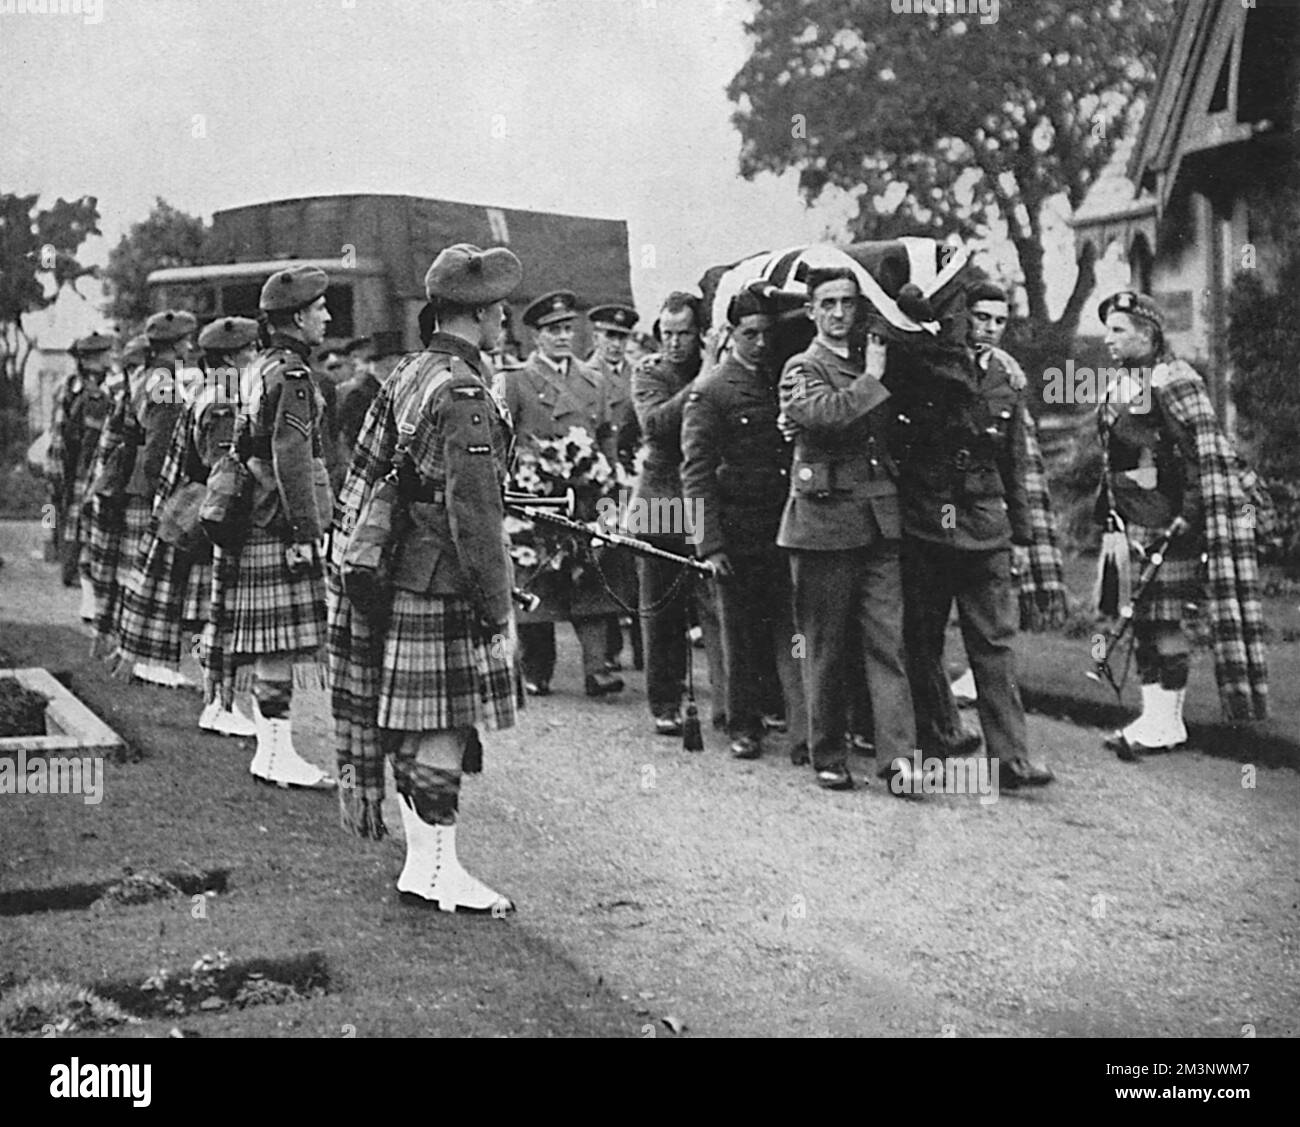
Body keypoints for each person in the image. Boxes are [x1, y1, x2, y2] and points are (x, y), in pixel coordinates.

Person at [330, 243, 523, 913]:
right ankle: (443, 874)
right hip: (443, 578)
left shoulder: (412, 370)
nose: (504, 319)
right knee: (444, 728)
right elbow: (472, 516)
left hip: (401, 570)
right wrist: (496, 611)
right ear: (482, 313)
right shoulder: (464, 389)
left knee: (414, 730)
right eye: (500, 309)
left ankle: (422, 867)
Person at [887, 280, 1054, 789]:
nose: (988, 329)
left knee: (995, 644)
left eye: (999, 321)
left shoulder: (1007, 377)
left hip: (985, 525)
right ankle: (936, 735)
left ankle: (1010, 758)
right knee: (923, 639)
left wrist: (1020, 536)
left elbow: (1014, 459)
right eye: (980, 318)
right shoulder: (925, 366)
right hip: (930, 523)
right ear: (963, 318)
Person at [1095, 290, 1268, 756]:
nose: (1108, 339)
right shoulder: (1125, 383)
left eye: (1118, 330)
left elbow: (1203, 454)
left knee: (1165, 621)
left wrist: (1188, 515)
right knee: (1146, 622)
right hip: (1135, 521)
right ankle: (1155, 719)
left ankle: (1169, 723)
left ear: (1147, 333)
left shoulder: (1177, 380)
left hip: (1172, 522)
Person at [776, 268, 917, 792]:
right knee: (827, 646)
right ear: (811, 311)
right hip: (824, 523)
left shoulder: (869, 362)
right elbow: (823, 416)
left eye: (849, 304)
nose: (839, 313)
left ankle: (898, 759)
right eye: (828, 303)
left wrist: (876, 371)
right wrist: (872, 379)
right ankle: (828, 752)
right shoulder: (801, 367)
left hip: (879, 520)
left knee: (888, 643)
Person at [115, 317, 262, 732]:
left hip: (198, 510)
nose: (255, 357)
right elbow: (223, 469)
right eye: (250, 351)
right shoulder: (221, 402)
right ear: (233, 357)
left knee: (206, 614)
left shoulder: (203, 391)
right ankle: (220, 704)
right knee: (217, 613)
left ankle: (218, 701)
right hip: (214, 515)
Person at [681, 281, 806, 761]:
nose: (759, 342)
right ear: (731, 333)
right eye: (749, 332)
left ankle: (802, 731)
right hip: (735, 531)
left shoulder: (782, 377)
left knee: (792, 632)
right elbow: (695, 472)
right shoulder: (712, 391)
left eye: (765, 333)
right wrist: (707, 544)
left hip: (784, 525)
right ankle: (743, 724)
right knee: (741, 634)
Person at [227, 265, 337, 789]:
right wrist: (303, 533)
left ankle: (272, 750)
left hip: (258, 514)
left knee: (273, 642)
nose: (328, 317)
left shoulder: (261, 367)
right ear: (297, 316)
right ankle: (274, 754)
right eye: (320, 309)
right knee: (279, 645)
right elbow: (291, 457)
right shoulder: (292, 374)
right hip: (279, 521)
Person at [498, 290, 625, 698]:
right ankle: (537, 669)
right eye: (553, 330)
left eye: (568, 329)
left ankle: (597, 668)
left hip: (586, 491)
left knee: (590, 574)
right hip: (535, 496)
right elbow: (503, 440)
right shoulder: (516, 380)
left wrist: (609, 491)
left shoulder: (594, 381)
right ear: (536, 336)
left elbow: (606, 438)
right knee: (538, 579)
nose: (562, 336)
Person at [630, 292, 727, 736]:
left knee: (717, 605)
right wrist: (707, 377)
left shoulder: (717, 366)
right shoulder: (649, 372)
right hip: (662, 498)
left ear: (699, 333)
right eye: (667, 334)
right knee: (661, 607)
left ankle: (731, 706)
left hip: (706, 496)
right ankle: (664, 702)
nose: (674, 343)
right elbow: (657, 424)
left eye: (683, 333)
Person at [88, 311, 194, 671]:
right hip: (146, 486)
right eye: (186, 341)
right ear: (176, 345)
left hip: (128, 480)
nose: (190, 346)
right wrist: (163, 491)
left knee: (127, 569)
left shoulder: (143, 375)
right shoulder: (164, 379)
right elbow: (160, 443)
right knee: (146, 571)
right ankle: (139, 658)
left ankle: (121, 647)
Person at [587, 303, 642, 673]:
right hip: (604, 479)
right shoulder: (585, 375)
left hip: (637, 475)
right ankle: (607, 649)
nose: (616, 344)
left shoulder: (639, 374)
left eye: (622, 337)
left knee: (642, 558)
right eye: (609, 336)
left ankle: (644, 650)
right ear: (596, 337)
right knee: (605, 560)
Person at [47, 333, 114, 613]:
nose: (110, 359)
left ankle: (75, 569)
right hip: (77, 462)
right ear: (90, 359)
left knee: (79, 517)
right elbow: (61, 432)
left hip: (92, 459)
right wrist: (58, 471)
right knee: (67, 514)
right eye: (105, 354)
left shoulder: (108, 385)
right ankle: (68, 566)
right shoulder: (72, 388)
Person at [336, 330, 404, 463]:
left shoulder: (404, 390)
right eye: (397, 360)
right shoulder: (360, 396)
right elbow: (353, 438)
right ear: (388, 362)